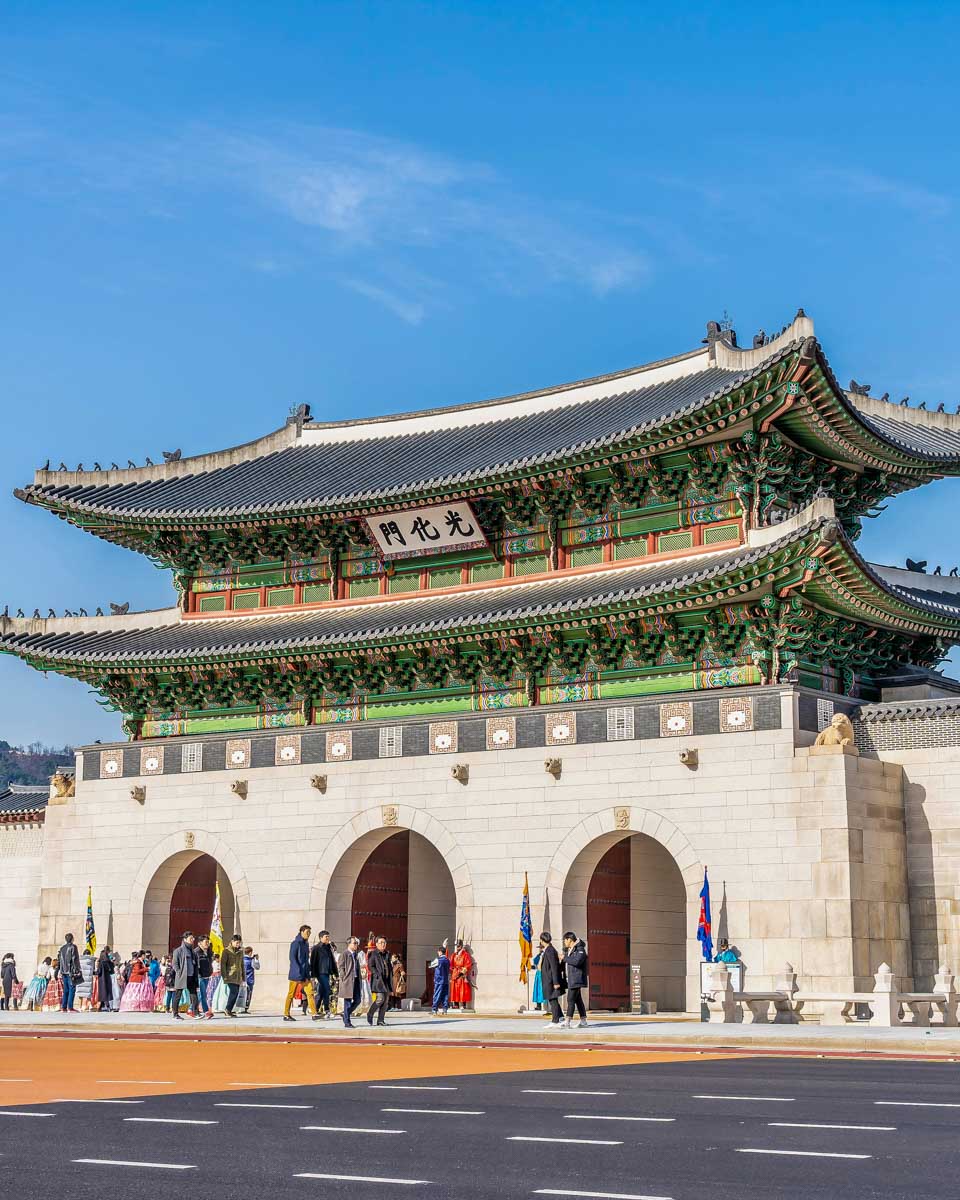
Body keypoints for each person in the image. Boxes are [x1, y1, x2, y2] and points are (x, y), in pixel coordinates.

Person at [284, 924, 319, 1022]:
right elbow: (292, 959)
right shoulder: (295, 943)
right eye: (307, 932)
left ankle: (314, 1014)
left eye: (310, 933)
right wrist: (298, 972)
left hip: (305, 974)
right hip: (296, 974)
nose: (309, 934)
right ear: (301, 932)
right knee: (291, 994)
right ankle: (286, 1014)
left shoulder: (306, 944)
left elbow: (306, 960)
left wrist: (308, 972)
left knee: (310, 993)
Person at [562, 931, 589, 1029]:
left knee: (570, 999)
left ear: (569, 939)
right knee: (578, 1000)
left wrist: (564, 958)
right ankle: (583, 1021)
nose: (564, 942)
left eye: (565, 940)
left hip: (576, 978)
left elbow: (576, 962)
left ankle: (567, 1021)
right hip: (572, 978)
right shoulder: (571, 949)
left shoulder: (580, 949)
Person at [171, 931, 200, 1020]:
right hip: (182, 976)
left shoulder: (193, 951)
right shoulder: (178, 951)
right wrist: (179, 972)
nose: (192, 940)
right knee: (178, 995)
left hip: (191, 976)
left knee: (193, 994)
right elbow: (175, 963)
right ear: (185, 939)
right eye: (190, 938)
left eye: (193, 938)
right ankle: (175, 1014)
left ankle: (195, 1013)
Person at [310, 931, 337, 1019]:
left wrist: (335, 972)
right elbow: (313, 962)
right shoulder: (316, 948)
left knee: (321, 992)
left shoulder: (328, 947)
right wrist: (313, 975)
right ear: (321, 938)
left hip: (327, 972)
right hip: (320, 973)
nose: (328, 938)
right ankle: (327, 1010)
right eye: (326, 937)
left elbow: (332, 961)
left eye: (328, 936)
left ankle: (316, 1009)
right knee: (326, 990)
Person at [538, 933, 564, 1027]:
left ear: (542, 940)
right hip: (549, 980)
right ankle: (560, 1017)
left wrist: (556, 982)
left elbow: (554, 967)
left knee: (553, 1000)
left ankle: (555, 1021)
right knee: (553, 999)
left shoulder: (550, 950)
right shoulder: (549, 950)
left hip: (551, 980)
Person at [366, 936, 392, 1027]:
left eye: (384, 943)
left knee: (385, 1002)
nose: (383, 944)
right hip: (378, 981)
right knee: (380, 999)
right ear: (376, 944)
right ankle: (370, 1013)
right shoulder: (373, 954)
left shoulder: (387, 953)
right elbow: (370, 965)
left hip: (386, 980)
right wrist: (377, 973)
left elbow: (389, 966)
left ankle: (380, 1020)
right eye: (381, 943)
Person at [337, 936, 361, 1028]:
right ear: (349, 944)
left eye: (356, 943)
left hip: (355, 980)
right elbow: (341, 966)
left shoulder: (356, 954)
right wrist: (343, 977)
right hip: (348, 981)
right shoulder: (345, 954)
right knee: (347, 1002)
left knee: (358, 1000)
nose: (356, 945)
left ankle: (346, 1014)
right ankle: (347, 1022)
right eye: (354, 943)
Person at [220, 934, 244, 1018]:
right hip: (230, 975)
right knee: (234, 992)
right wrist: (224, 976)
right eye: (237, 943)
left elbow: (242, 964)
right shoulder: (226, 951)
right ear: (232, 941)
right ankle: (227, 1009)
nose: (238, 944)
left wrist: (244, 977)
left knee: (235, 993)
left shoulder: (240, 951)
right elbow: (223, 965)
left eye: (239, 943)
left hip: (238, 976)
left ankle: (229, 1010)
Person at [57, 933, 82, 1013]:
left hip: (63, 971)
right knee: (72, 989)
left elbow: (60, 960)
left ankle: (64, 1007)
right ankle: (70, 1007)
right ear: (72, 939)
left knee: (66, 990)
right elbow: (75, 959)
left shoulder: (62, 948)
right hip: (70, 971)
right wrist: (77, 970)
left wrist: (61, 970)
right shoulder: (73, 947)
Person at [450, 940, 474, 1011]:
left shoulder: (465, 954)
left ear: (461, 946)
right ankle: (455, 1004)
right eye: (456, 946)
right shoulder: (454, 955)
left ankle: (462, 1004)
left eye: (458, 946)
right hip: (455, 973)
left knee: (462, 989)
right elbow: (451, 964)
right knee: (454, 989)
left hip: (461, 973)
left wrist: (462, 972)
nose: (457, 947)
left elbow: (468, 965)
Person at [195, 936, 214, 1019]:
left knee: (202, 994)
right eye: (205, 942)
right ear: (200, 943)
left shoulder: (209, 952)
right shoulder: (196, 952)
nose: (207, 943)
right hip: (200, 976)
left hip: (207, 975)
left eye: (208, 942)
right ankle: (206, 1011)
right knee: (203, 994)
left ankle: (191, 1009)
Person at [431, 944, 451, 1016]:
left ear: (440, 952)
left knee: (437, 994)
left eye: (438, 952)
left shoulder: (438, 960)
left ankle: (434, 1009)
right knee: (445, 995)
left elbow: (431, 965)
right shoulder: (448, 960)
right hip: (446, 980)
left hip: (439, 980)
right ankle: (445, 1010)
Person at [95, 946, 116, 1012]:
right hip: (107, 979)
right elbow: (112, 971)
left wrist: (95, 970)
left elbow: (99, 972)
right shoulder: (109, 962)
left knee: (103, 993)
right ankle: (104, 1006)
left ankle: (107, 1006)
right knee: (107, 992)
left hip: (102, 979)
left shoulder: (101, 963)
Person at [242, 946, 260, 1013]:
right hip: (249, 980)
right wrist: (256, 959)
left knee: (241, 994)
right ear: (250, 952)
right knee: (248, 995)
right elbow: (257, 967)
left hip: (242, 980)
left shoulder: (241, 959)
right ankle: (246, 1008)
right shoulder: (251, 960)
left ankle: (239, 1008)